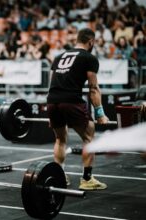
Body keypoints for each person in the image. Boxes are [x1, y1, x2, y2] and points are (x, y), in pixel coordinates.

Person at [46, 28, 109, 191]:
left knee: (60, 139)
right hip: (71, 101)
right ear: (91, 42)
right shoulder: (90, 58)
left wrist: (51, 111)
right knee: (89, 136)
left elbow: (52, 84)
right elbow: (93, 88)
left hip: (52, 101)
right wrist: (100, 114)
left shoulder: (59, 57)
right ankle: (87, 179)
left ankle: (59, 176)